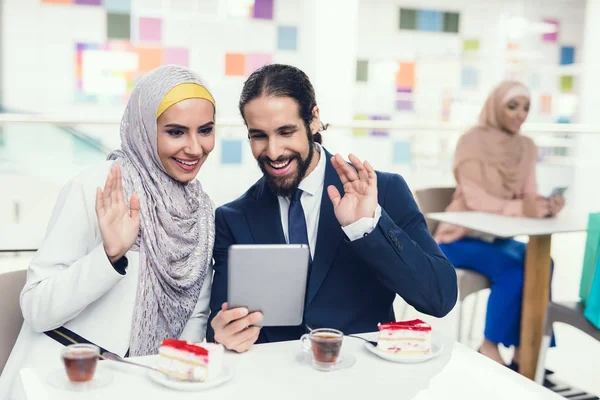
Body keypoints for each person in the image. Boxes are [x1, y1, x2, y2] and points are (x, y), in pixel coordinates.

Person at [207, 64, 458, 352]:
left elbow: (440, 298)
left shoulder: (384, 192)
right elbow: (219, 327)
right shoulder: (232, 219)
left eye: (286, 132)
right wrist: (222, 335)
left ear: (313, 120)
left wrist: (368, 227)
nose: (273, 151)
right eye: (259, 136)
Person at [0, 65, 216, 397]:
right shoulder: (102, 187)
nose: (195, 148)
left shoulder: (200, 211)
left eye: (205, 130)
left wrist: (174, 384)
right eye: (175, 132)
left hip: (145, 384)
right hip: (61, 381)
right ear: (145, 128)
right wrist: (108, 256)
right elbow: (36, 307)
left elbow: (192, 316)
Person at [434, 81, 565, 367]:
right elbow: (476, 198)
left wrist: (544, 204)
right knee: (514, 267)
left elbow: (528, 193)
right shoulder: (471, 140)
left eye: (526, 108)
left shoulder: (526, 146)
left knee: (545, 262)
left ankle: (526, 347)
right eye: (512, 106)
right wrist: (522, 208)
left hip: (497, 238)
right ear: (495, 107)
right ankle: (489, 344)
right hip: (458, 239)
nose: (520, 114)